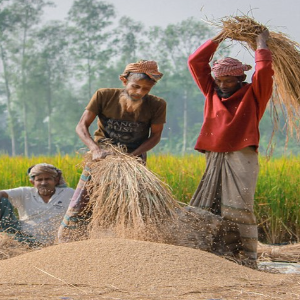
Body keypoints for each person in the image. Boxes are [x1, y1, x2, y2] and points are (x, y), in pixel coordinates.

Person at [187, 29, 273, 267]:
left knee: (238, 206)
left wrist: (261, 43)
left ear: (240, 80)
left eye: (228, 80)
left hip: (242, 154)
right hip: (214, 154)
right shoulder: (210, 91)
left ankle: (245, 259)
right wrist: (220, 37)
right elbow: (195, 61)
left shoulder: (254, 94)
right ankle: (214, 255)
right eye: (219, 80)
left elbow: (264, 71)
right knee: (211, 204)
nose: (223, 85)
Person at [58, 59, 166, 242]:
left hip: (134, 160)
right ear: (124, 81)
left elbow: (155, 136)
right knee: (83, 199)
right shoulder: (104, 96)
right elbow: (81, 126)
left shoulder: (157, 105)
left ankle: (130, 241)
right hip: (103, 157)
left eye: (146, 89)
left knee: (134, 203)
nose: (139, 92)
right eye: (135, 86)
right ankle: (70, 239)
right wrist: (95, 149)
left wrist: (132, 156)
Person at [0, 163, 74, 246]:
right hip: (24, 239)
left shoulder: (68, 193)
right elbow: (1, 194)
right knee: (2, 200)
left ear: (56, 180)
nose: (43, 183)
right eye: (39, 180)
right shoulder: (24, 192)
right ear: (32, 182)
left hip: (55, 242)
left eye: (47, 179)